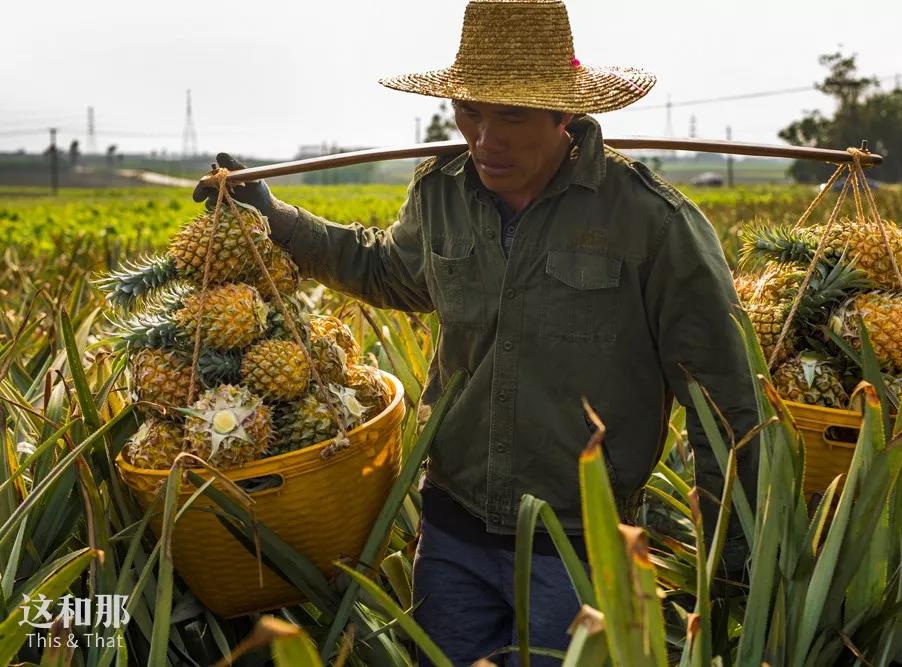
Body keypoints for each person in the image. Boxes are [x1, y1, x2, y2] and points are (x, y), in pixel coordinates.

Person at [193, 1, 758, 664]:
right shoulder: (442, 193)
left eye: (512, 115)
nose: (486, 138)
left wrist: (734, 551)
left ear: (562, 113)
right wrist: (275, 216)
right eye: (471, 113)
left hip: (578, 546)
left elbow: (724, 397)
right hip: (452, 533)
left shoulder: (651, 221)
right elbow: (387, 270)